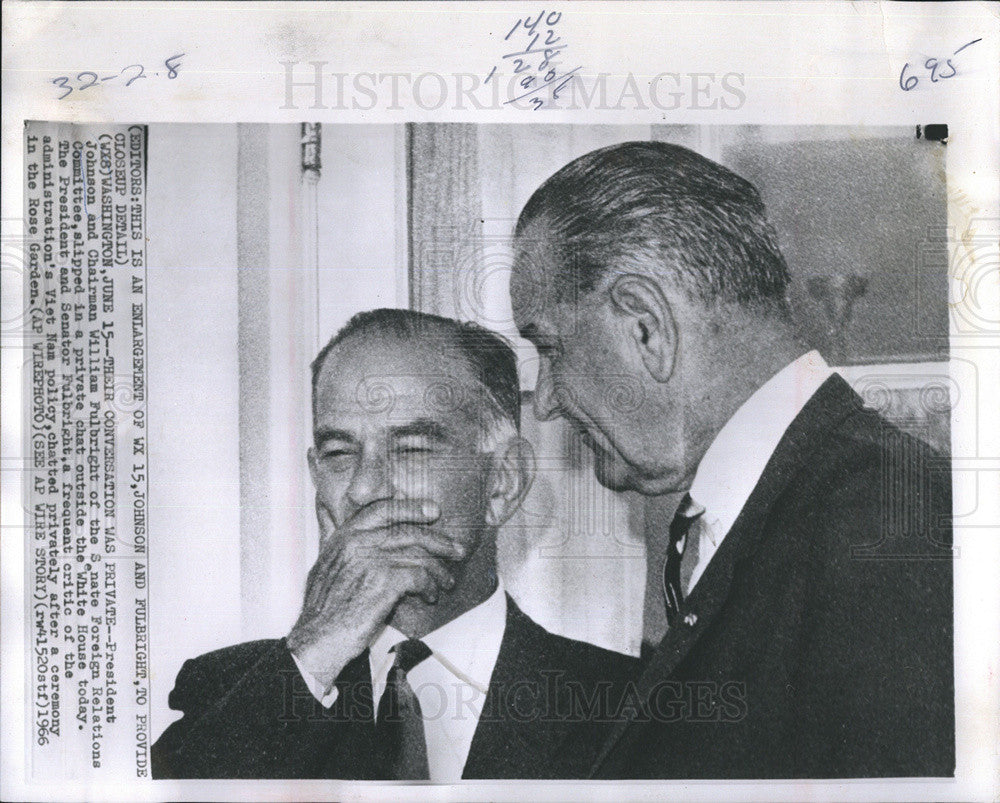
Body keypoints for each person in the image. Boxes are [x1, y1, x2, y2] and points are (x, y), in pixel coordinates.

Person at [509, 141, 953, 778]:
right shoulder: (749, 518)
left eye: (550, 348)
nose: (546, 400)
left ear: (645, 327)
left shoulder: (893, 531)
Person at [151, 308, 638, 781]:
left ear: (503, 483)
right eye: (339, 453)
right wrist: (314, 650)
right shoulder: (231, 691)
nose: (364, 489)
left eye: (411, 449)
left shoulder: (629, 705)